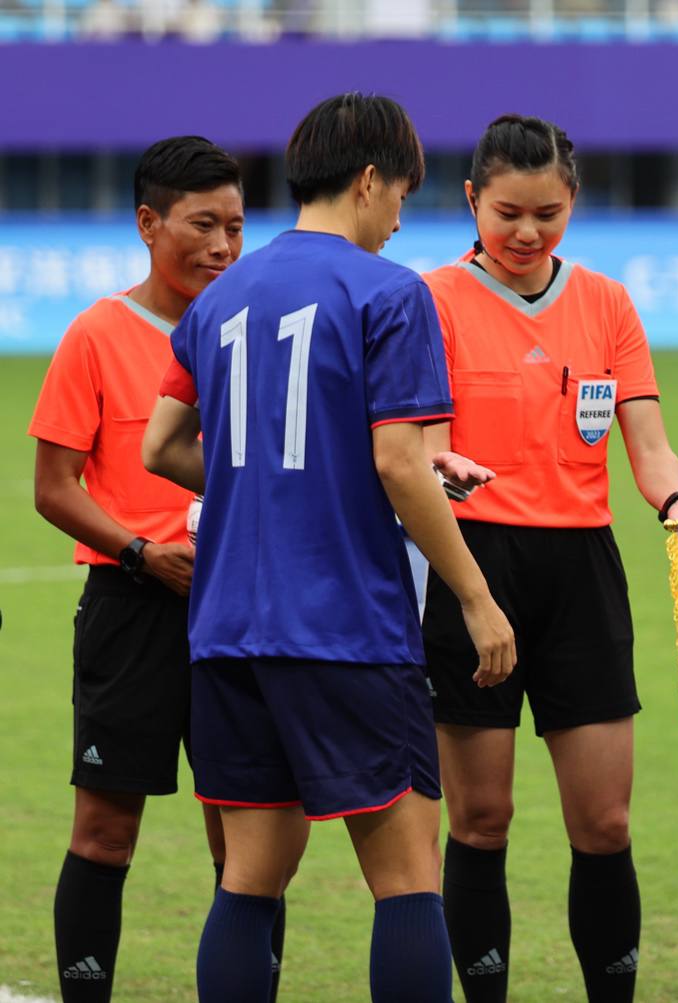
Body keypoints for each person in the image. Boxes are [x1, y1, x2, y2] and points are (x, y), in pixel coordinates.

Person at [140, 92, 516, 1002]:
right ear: (369, 179)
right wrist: (476, 597)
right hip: (346, 627)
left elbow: (160, 446)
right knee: (408, 877)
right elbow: (398, 461)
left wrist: (283, 480)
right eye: (403, 197)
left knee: (249, 878)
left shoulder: (221, 296)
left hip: (227, 630)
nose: (400, 221)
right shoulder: (390, 291)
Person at [418, 113, 678, 1003]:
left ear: (573, 202)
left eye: (547, 214)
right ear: (471, 200)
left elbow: (648, 444)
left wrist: (675, 500)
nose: (527, 232)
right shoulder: (430, 300)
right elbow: (422, 448)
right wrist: (444, 469)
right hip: (472, 569)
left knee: (605, 822)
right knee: (481, 820)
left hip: (583, 575)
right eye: (507, 212)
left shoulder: (608, 303)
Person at [25, 136, 283, 1003]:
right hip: (131, 606)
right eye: (203, 225)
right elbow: (52, 487)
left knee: (245, 845)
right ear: (148, 222)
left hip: (241, 606)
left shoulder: (256, 333)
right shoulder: (96, 334)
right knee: (105, 833)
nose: (223, 245)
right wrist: (138, 550)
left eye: (236, 227)